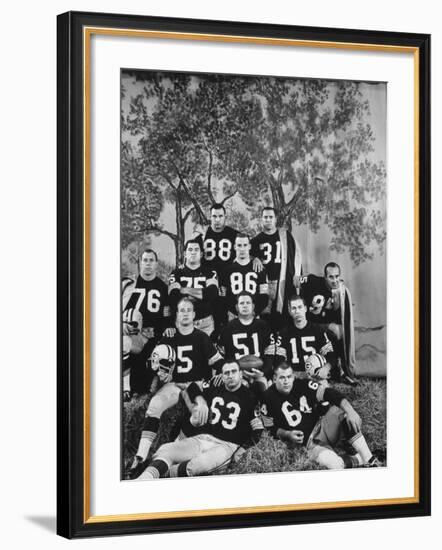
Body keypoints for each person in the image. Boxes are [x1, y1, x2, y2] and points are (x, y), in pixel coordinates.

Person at [126, 297, 223, 478]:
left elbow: (217, 362)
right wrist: (159, 373)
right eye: (181, 310)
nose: (185, 313)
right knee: (154, 405)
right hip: (174, 384)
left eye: (188, 310)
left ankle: (173, 455)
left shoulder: (202, 337)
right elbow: (152, 363)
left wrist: (222, 374)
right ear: (176, 314)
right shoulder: (169, 335)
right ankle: (140, 456)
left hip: (196, 385)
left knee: (199, 417)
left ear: (194, 315)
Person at [137, 361, 264, 479]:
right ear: (222, 376)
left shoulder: (250, 397)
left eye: (233, 371)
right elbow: (192, 386)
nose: (230, 376)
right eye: (226, 373)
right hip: (202, 438)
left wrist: (242, 450)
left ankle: (163, 475)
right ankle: (143, 480)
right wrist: (201, 401)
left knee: (199, 464)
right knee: (166, 449)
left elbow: (258, 429)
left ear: (241, 374)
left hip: (226, 445)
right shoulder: (215, 387)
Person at [261, 363, 381, 469]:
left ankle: (369, 459)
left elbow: (329, 393)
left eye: (289, 377)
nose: (286, 381)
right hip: (309, 444)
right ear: (274, 378)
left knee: (344, 414)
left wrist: (351, 411)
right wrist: (287, 434)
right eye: (282, 378)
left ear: (293, 376)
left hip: (323, 427)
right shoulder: (267, 397)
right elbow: (270, 428)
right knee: (335, 465)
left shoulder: (301, 384)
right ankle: (358, 459)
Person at [122, 249, 170, 395]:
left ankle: (147, 389)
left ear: (156, 264)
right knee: (124, 343)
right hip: (133, 334)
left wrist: (160, 334)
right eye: (145, 260)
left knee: (147, 368)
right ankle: (125, 388)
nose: (148, 264)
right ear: (140, 263)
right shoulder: (130, 285)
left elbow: (166, 317)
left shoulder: (163, 287)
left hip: (153, 335)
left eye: (151, 260)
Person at [299, 262, 357, 385]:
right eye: (331, 277)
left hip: (322, 327)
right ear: (325, 277)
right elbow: (296, 279)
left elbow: (340, 318)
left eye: (337, 276)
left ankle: (340, 369)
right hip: (307, 322)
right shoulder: (313, 280)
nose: (335, 280)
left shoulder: (340, 291)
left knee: (338, 331)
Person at [251, 206, 302, 327]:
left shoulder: (285, 235)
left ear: (275, 219)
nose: (268, 220)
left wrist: (297, 274)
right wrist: (254, 258)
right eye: (265, 217)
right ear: (261, 219)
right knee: (266, 317)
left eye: (270, 217)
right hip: (265, 284)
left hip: (284, 282)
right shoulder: (255, 241)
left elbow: (296, 255)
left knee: (284, 316)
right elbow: (248, 259)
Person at [275, 295, 336, 379]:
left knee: (325, 389)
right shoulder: (284, 333)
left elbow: (331, 356)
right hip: (293, 376)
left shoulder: (318, 330)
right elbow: (279, 360)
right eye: (294, 308)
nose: (297, 311)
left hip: (314, 376)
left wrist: (325, 369)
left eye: (300, 307)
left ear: (305, 308)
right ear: (289, 311)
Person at [218, 291, 274, 379]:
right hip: (236, 375)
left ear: (253, 306)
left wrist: (263, 373)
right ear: (237, 307)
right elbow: (225, 357)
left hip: (260, 372)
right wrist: (235, 372)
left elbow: (270, 355)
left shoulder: (263, 326)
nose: (245, 305)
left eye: (248, 303)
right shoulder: (228, 328)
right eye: (241, 303)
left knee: (263, 386)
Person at [168, 239, 219, 336]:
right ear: (185, 253)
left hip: (205, 323)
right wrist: (201, 295)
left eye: (196, 250)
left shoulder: (210, 272)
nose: (193, 252)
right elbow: (174, 296)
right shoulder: (176, 273)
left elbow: (212, 293)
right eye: (190, 249)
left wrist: (186, 290)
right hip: (182, 322)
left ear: (201, 254)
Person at [220, 233, 269, 320]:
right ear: (234, 246)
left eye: (245, 245)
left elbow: (264, 296)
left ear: (249, 246)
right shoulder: (226, 270)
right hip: (233, 316)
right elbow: (223, 297)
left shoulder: (259, 269)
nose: (242, 249)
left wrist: (254, 312)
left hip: (254, 315)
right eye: (239, 245)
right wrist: (234, 311)